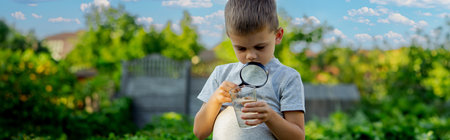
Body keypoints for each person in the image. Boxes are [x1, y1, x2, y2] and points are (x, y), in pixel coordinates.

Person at [193, 0, 305, 139]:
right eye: (241, 48)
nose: (250, 55)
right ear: (231, 39)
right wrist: (215, 100)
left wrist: (270, 117)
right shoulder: (221, 74)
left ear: (278, 36)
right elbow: (199, 132)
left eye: (260, 47)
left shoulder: (287, 77)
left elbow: (298, 137)